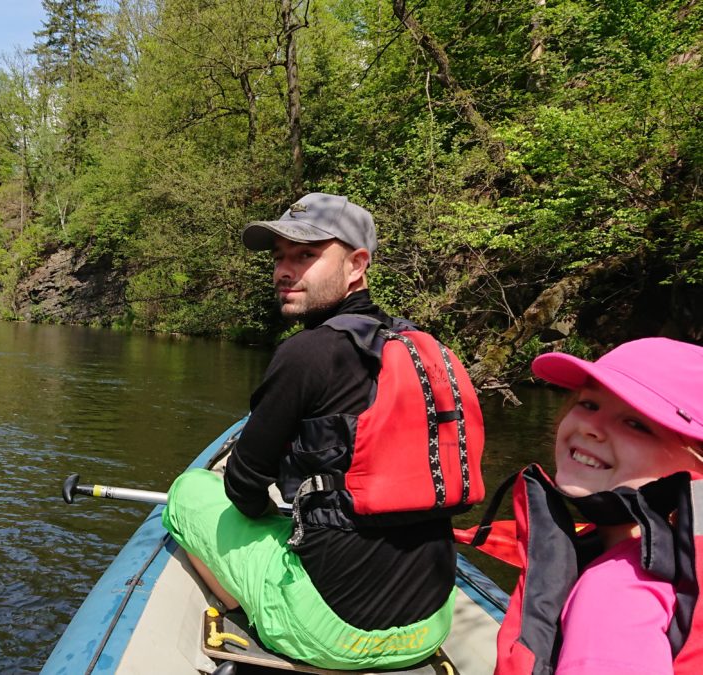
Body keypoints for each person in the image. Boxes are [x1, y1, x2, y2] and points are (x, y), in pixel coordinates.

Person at [162, 193, 483, 670]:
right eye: (279, 258)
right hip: (428, 625)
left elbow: (244, 488)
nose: (284, 271)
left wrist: (282, 509)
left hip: (333, 636)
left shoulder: (306, 354)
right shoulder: (424, 349)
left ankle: (242, 607)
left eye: (306, 255)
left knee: (189, 491)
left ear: (357, 264)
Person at [489, 338, 703, 674]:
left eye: (637, 424)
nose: (591, 427)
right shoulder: (672, 557)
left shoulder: (614, 598)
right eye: (588, 404)